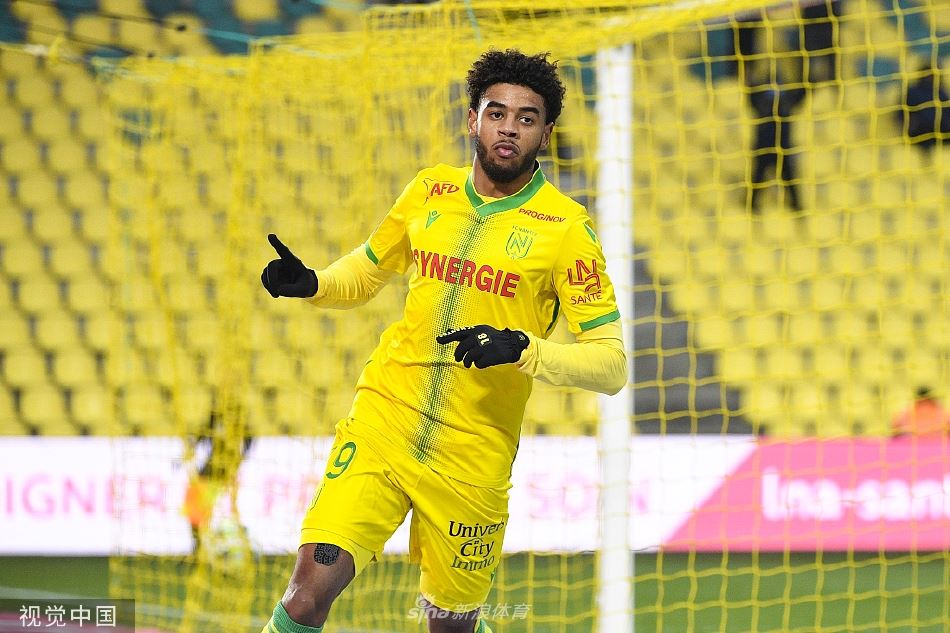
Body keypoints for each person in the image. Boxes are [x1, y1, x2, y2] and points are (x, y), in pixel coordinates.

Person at [257, 49, 626, 633]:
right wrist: (315, 284)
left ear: (547, 133)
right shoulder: (429, 191)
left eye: (527, 118)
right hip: (384, 419)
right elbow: (368, 270)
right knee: (307, 593)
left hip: (473, 452)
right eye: (497, 113)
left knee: (449, 624)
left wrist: (522, 349)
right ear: (473, 119)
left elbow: (611, 365)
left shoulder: (567, 230)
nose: (509, 128)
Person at [748, 73, 805, 212]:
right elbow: (750, 94)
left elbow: (801, 95)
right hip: (764, 147)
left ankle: (796, 207)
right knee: (757, 178)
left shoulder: (786, 102)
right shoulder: (761, 102)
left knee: (789, 179)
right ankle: (751, 206)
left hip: (781, 148)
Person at [897, 65, 950, 155]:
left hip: (940, 130)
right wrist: (911, 124)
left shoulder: (941, 93)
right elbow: (901, 112)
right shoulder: (913, 92)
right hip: (919, 132)